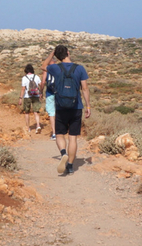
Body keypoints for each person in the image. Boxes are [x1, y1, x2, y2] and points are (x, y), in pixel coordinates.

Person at [40, 45, 90, 176]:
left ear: (56, 56)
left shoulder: (55, 68)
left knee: (60, 134)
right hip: (76, 106)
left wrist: (52, 54)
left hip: (61, 106)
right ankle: (71, 166)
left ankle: (63, 153)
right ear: (68, 52)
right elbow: (85, 89)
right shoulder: (79, 68)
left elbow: (43, 66)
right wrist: (88, 106)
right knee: (73, 138)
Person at [20, 63, 43, 132]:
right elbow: (41, 85)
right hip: (36, 95)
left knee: (27, 112)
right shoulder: (36, 77)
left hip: (27, 96)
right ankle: (38, 126)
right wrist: (40, 93)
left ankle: (28, 128)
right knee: (36, 112)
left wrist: (20, 98)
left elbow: (23, 88)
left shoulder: (24, 78)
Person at [41, 48, 58, 141]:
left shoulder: (47, 70)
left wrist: (41, 91)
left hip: (50, 93)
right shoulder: (59, 68)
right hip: (59, 93)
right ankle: (61, 131)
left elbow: (43, 81)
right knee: (59, 112)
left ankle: (54, 133)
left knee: (52, 113)